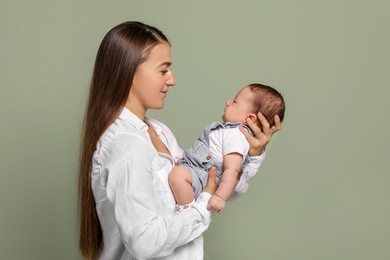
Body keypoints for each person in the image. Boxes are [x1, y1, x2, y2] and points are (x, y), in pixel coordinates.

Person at [78, 21, 281, 260]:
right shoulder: (126, 145)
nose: (172, 80)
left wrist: (253, 155)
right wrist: (203, 206)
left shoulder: (159, 131)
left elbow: (212, 185)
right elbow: (145, 242)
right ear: (129, 71)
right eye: (163, 70)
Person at [169, 83, 285, 214]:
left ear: (250, 118)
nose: (228, 102)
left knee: (177, 176)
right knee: (179, 172)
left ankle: (185, 212)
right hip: (197, 168)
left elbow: (232, 170)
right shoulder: (229, 131)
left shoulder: (235, 135)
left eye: (235, 102)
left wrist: (219, 197)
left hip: (204, 175)